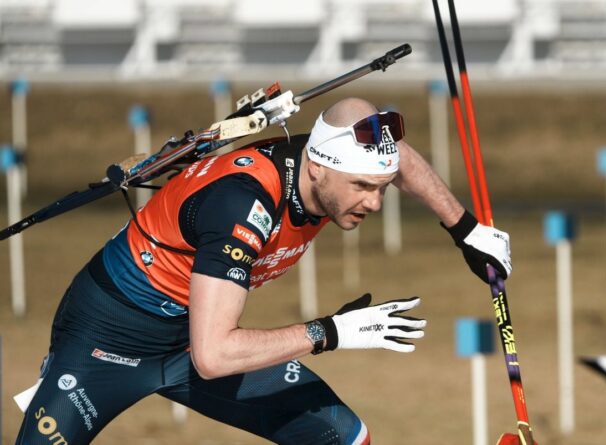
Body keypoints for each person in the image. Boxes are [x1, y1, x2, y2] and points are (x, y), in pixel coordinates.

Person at [15, 97, 512, 445]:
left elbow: (396, 158)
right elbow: (214, 355)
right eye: (363, 187)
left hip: (187, 341)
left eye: (379, 187)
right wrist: (330, 332)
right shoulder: (242, 204)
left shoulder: (332, 164)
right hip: (108, 337)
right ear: (316, 168)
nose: (375, 202)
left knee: (344, 437)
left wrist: (465, 229)